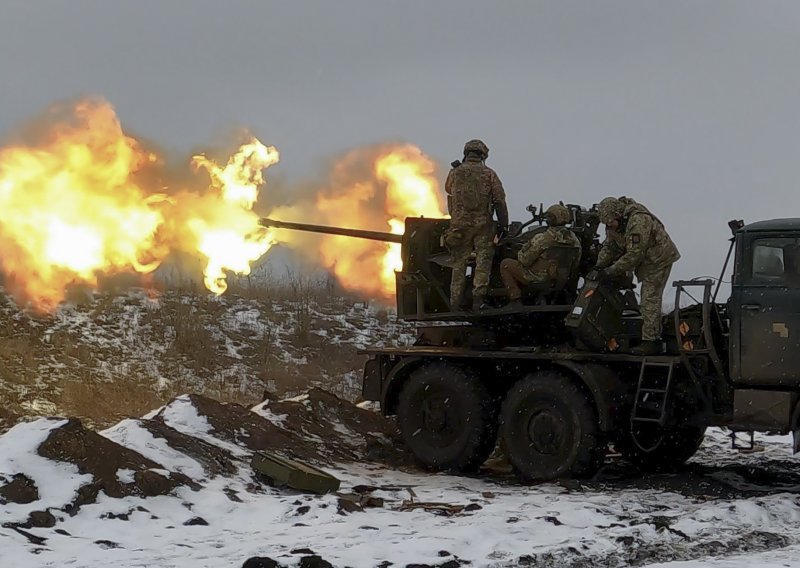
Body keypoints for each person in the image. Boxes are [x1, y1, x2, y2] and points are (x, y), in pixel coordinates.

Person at [595, 196, 680, 355]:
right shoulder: (613, 224)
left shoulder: (639, 221)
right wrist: (598, 267)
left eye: (611, 221)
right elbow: (610, 247)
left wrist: (610, 271)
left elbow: (634, 255)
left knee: (649, 298)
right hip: (644, 261)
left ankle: (651, 341)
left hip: (658, 260)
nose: (609, 226)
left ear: (618, 215)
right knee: (643, 298)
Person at [445, 139, 509, 310]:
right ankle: (478, 302)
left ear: (466, 153)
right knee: (483, 262)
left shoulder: (454, 172)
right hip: (483, 226)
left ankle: (454, 303)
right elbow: (499, 200)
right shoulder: (489, 174)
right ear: (483, 155)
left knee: (458, 264)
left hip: (459, 226)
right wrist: (504, 225)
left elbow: (448, 189)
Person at [500, 204, 581, 306]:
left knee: (505, 264)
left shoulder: (543, 238)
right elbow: (576, 262)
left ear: (549, 219)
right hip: (560, 281)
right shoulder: (575, 240)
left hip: (538, 279)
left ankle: (515, 300)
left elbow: (524, 260)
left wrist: (520, 251)